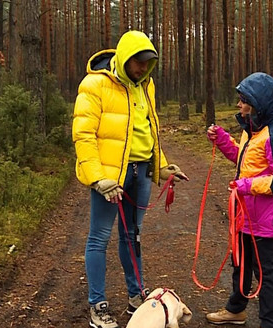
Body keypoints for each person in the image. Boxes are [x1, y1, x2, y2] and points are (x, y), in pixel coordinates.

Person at [73, 30, 189, 328]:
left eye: (147, 64)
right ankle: (97, 305)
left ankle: (136, 295)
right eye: (138, 63)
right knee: (99, 237)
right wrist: (98, 178)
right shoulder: (95, 84)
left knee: (132, 235)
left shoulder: (146, 86)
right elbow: (83, 136)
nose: (142, 69)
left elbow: (148, 131)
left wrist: (162, 167)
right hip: (110, 176)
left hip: (141, 172)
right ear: (124, 58)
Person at [205, 72, 273, 328]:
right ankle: (236, 310)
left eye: (242, 100)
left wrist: (245, 186)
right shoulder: (252, 130)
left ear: (257, 103)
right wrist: (222, 139)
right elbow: (244, 161)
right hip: (246, 214)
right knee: (241, 263)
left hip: (266, 218)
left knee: (265, 272)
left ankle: (270, 323)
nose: (238, 105)